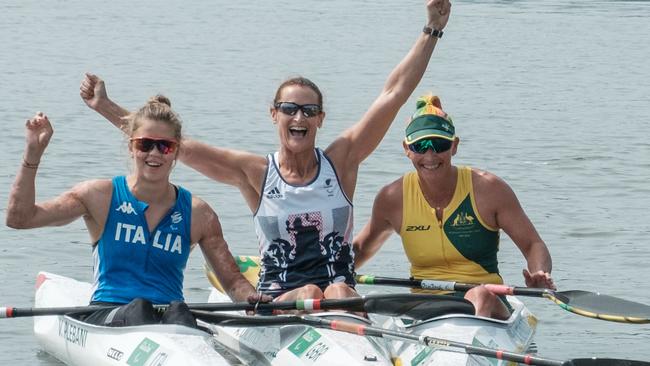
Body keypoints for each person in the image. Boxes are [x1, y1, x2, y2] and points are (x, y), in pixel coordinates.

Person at [79, 0, 452, 302]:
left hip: (340, 297)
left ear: (320, 119)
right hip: (280, 302)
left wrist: (432, 28)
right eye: (289, 109)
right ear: (274, 114)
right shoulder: (255, 172)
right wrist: (106, 106)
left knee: (337, 290)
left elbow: (394, 94)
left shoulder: (341, 161)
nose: (298, 117)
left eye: (308, 110)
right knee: (310, 292)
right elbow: (172, 146)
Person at [6, 99, 260, 327]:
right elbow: (21, 219)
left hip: (171, 318)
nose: (154, 154)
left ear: (176, 151)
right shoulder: (99, 196)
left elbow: (234, 283)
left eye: (165, 147)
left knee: (180, 312)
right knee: (139, 309)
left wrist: (256, 301)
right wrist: (32, 154)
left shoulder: (199, 214)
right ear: (131, 147)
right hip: (108, 313)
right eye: (145, 144)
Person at [353, 95, 555, 320]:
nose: (430, 156)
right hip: (426, 303)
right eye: (420, 146)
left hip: (487, 302)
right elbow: (359, 250)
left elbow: (533, 244)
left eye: (439, 145)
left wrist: (539, 272)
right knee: (359, 302)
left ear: (454, 145)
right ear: (407, 149)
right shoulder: (392, 198)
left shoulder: (489, 189)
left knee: (479, 294)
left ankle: (472, 342)